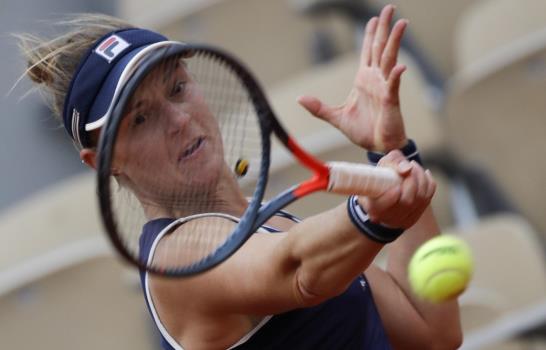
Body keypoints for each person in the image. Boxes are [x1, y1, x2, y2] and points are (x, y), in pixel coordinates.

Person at [17, 4, 462, 350]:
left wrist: (390, 152)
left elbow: (432, 334)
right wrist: (370, 212)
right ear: (104, 162)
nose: (178, 119)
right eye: (141, 119)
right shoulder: (177, 263)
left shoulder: (275, 228)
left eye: (177, 87)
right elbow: (298, 268)